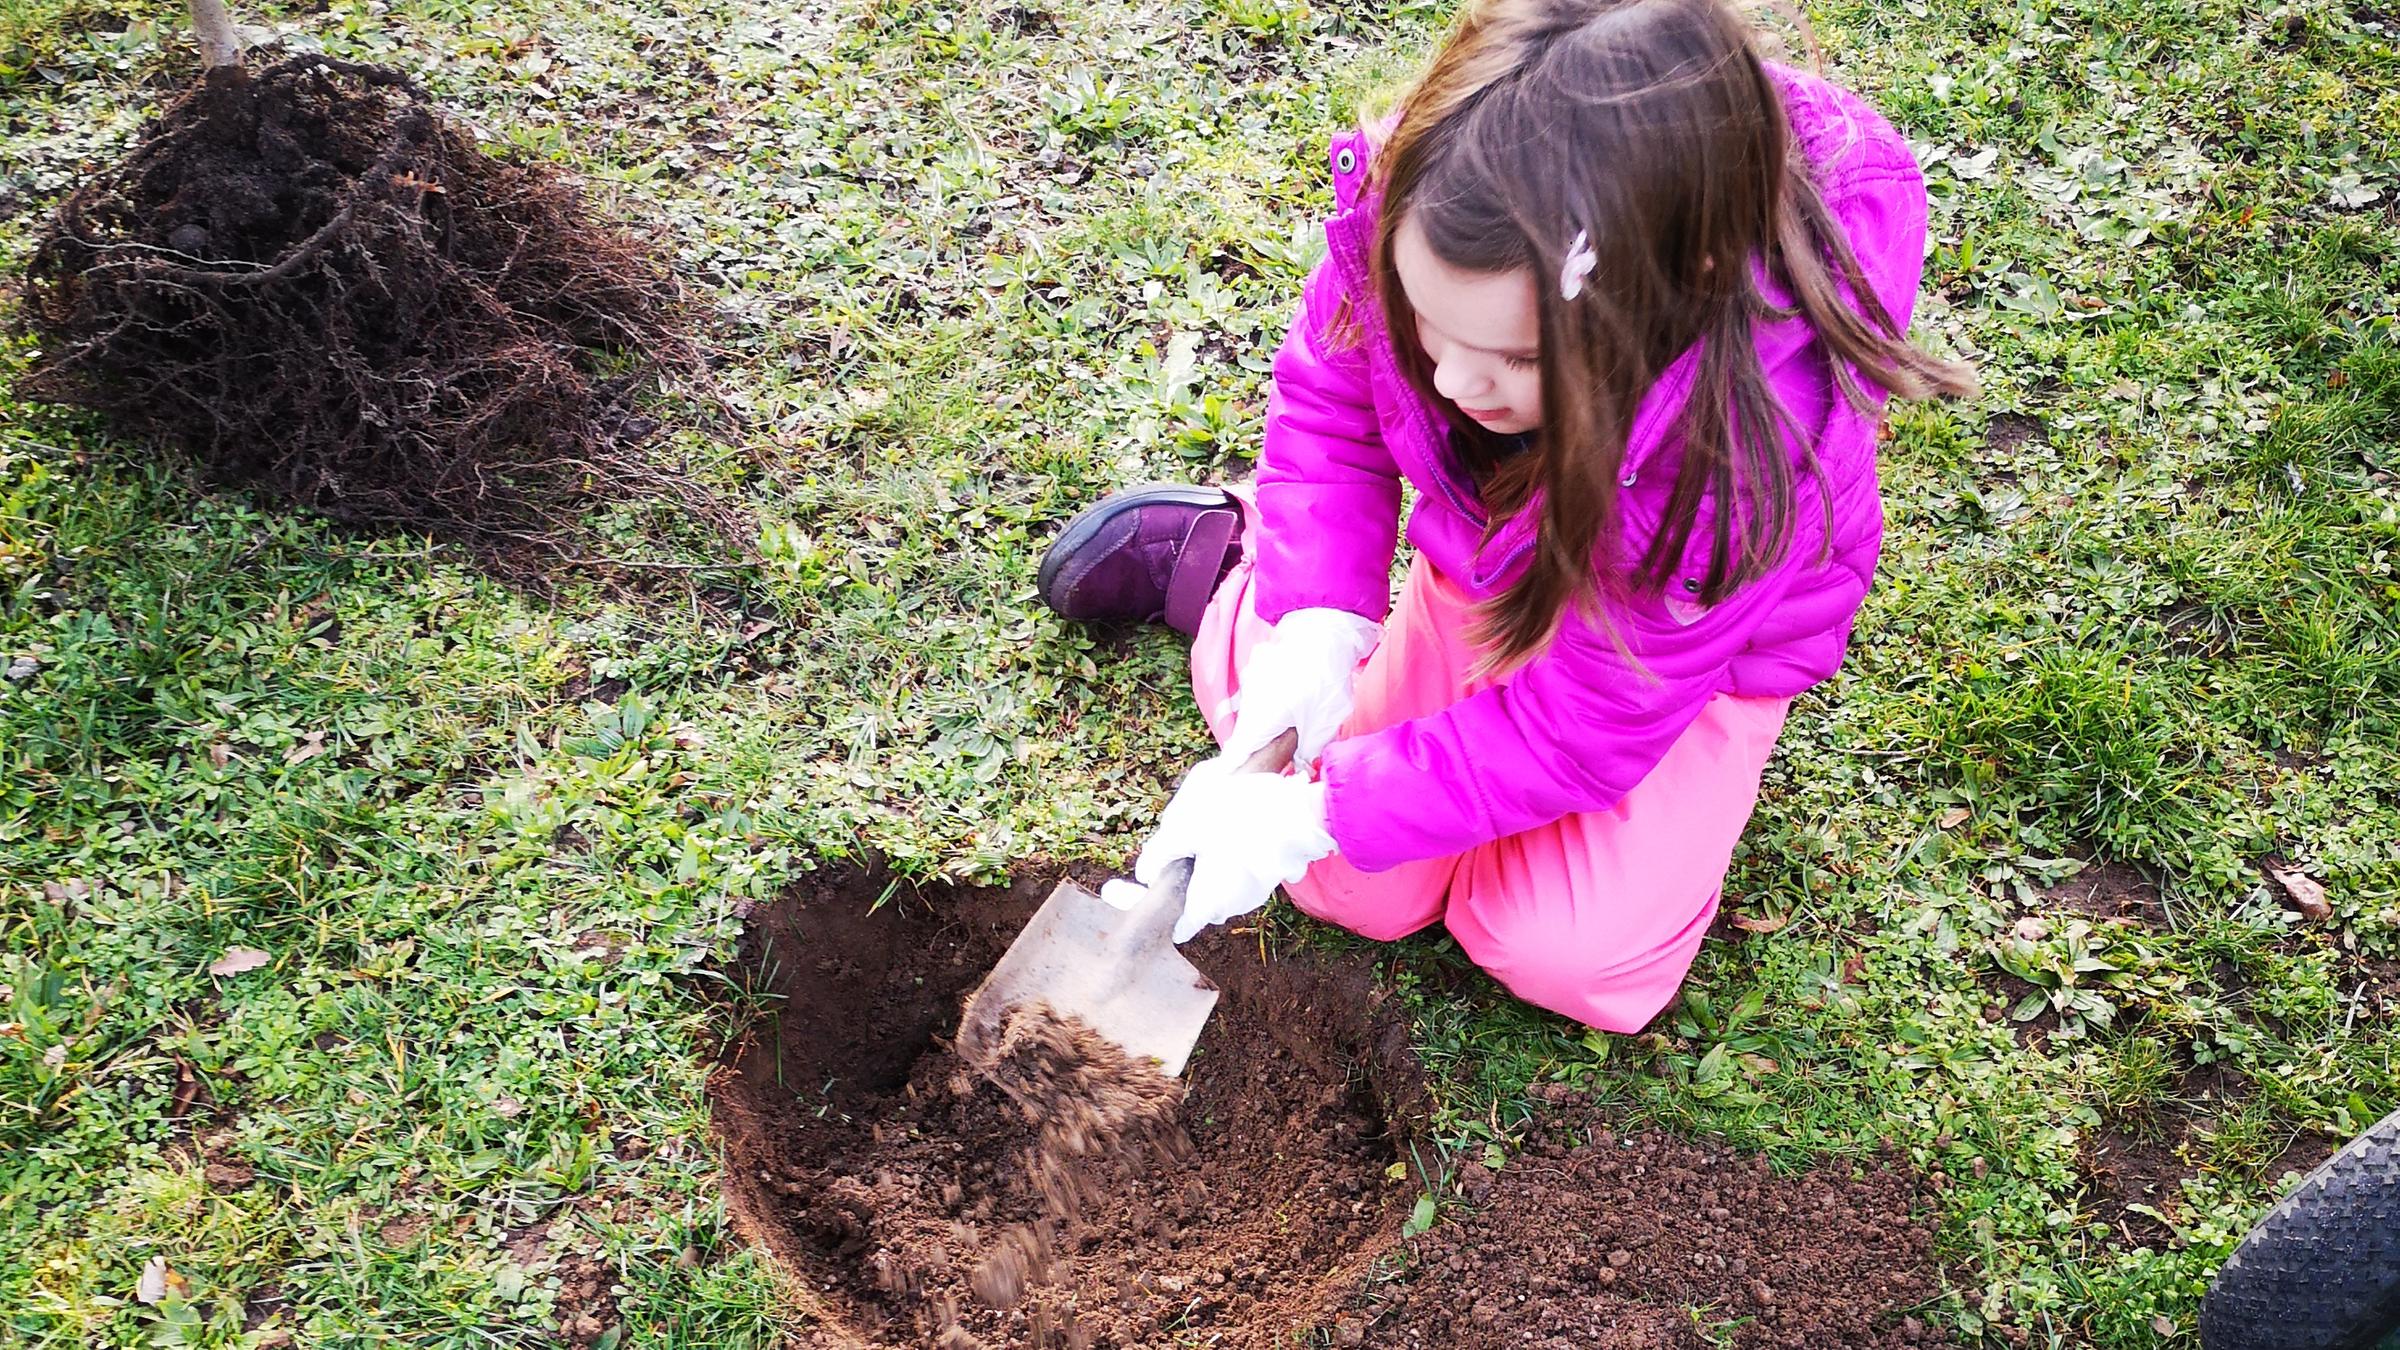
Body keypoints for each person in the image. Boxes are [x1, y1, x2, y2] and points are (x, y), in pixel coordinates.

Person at [1035, 0, 1975, 1031]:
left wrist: (1325, 806)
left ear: (1671, 297)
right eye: (1428, 325)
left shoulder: (1746, 449)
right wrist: (1315, 625)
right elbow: (1334, 412)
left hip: (1671, 661)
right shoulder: (1444, 195)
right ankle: (1240, 568)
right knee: (1350, 887)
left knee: (1564, 955)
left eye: (1519, 359)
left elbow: (1585, 728)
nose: (1451, 380)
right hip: (1491, 565)